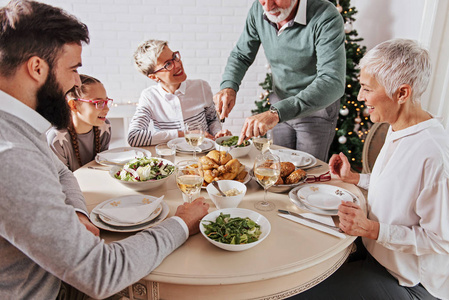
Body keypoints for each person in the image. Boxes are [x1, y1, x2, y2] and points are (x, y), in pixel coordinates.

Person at [0, 1, 209, 299]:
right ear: (37, 68)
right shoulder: (10, 155)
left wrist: (76, 214)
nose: (75, 82)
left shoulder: (17, 125)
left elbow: (60, 171)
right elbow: (102, 272)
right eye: (73, 69)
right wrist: (181, 223)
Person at [291, 39, 449, 299]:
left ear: (402, 93)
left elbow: (441, 239)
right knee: (300, 259)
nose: (360, 96)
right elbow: (402, 186)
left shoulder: (434, 155)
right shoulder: (400, 126)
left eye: (366, 88)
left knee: (299, 293)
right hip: (377, 253)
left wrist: (371, 229)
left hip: (409, 283)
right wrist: (357, 178)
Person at [214, 0, 346, 161]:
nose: (268, 7)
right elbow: (241, 55)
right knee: (279, 168)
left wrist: (277, 112)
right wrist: (229, 85)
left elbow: (332, 81)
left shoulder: (325, 15)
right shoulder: (258, 9)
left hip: (315, 111)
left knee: (308, 177)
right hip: (279, 104)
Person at [128, 39, 231, 147]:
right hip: (170, 159)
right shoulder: (149, 97)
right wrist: (184, 135)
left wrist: (218, 133)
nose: (177, 64)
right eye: (168, 64)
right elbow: (134, 137)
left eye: (174, 57)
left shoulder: (201, 87)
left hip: (204, 155)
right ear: (153, 76)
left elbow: (212, 120)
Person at [47, 74, 112, 171]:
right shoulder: (56, 139)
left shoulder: (104, 127)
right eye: (98, 103)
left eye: (106, 101)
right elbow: (62, 180)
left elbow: (102, 168)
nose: (107, 109)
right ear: (74, 105)